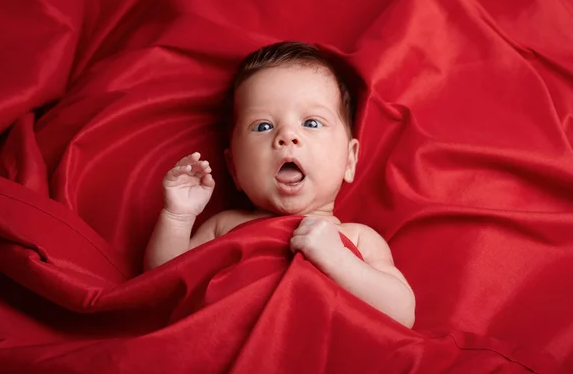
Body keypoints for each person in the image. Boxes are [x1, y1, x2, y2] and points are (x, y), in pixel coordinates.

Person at [144, 41, 415, 328]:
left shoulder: (356, 239)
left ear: (349, 160)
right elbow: (161, 289)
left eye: (311, 123)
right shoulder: (223, 227)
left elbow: (401, 314)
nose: (287, 136)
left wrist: (337, 260)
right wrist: (177, 217)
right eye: (262, 126)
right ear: (234, 168)